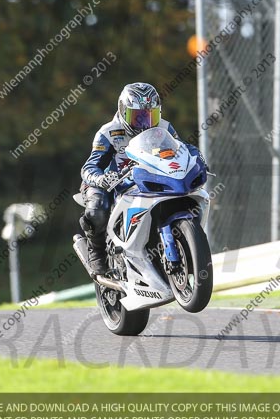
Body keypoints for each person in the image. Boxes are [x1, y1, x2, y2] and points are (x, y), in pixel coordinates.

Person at [79, 82, 204, 277]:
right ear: (123, 111)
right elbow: (89, 166)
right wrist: (101, 178)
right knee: (97, 207)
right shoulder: (108, 132)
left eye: (150, 115)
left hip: (143, 178)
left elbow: (182, 149)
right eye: (138, 117)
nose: (145, 123)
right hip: (108, 182)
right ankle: (97, 254)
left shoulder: (164, 127)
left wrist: (197, 159)